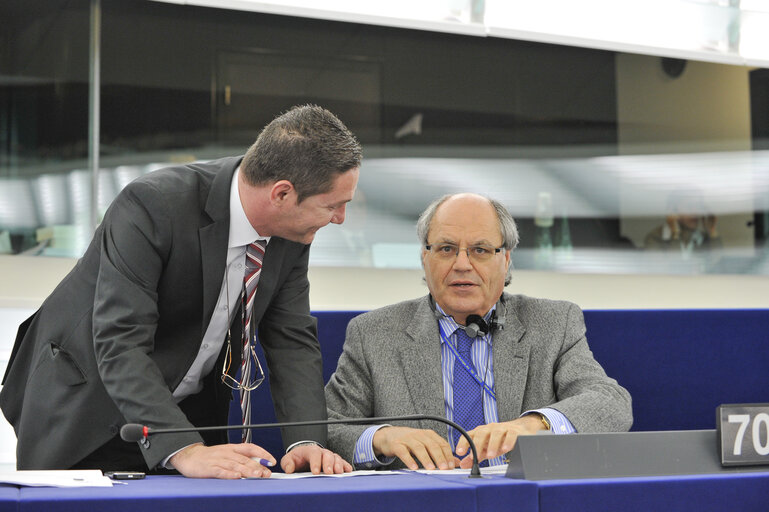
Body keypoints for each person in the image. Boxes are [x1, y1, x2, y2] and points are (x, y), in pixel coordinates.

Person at [1, 105, 360, 479]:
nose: (340, 219)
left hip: (189, 415)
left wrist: (306, 443)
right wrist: (181, 446)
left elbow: (291, 341)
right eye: (334, 205)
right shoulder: (152, 205)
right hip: (86, 411)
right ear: (282, 193)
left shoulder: (291, 234)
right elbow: (120, 340)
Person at [324, 193, 632, 470]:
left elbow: (611, 403)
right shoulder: (373, 334)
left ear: (506, 259)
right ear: (424, 257)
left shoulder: (553, 324)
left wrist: (532, 425)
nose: (462, 264)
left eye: (480, 250)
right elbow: (327, 427)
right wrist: (382, 438)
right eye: (446, 249)